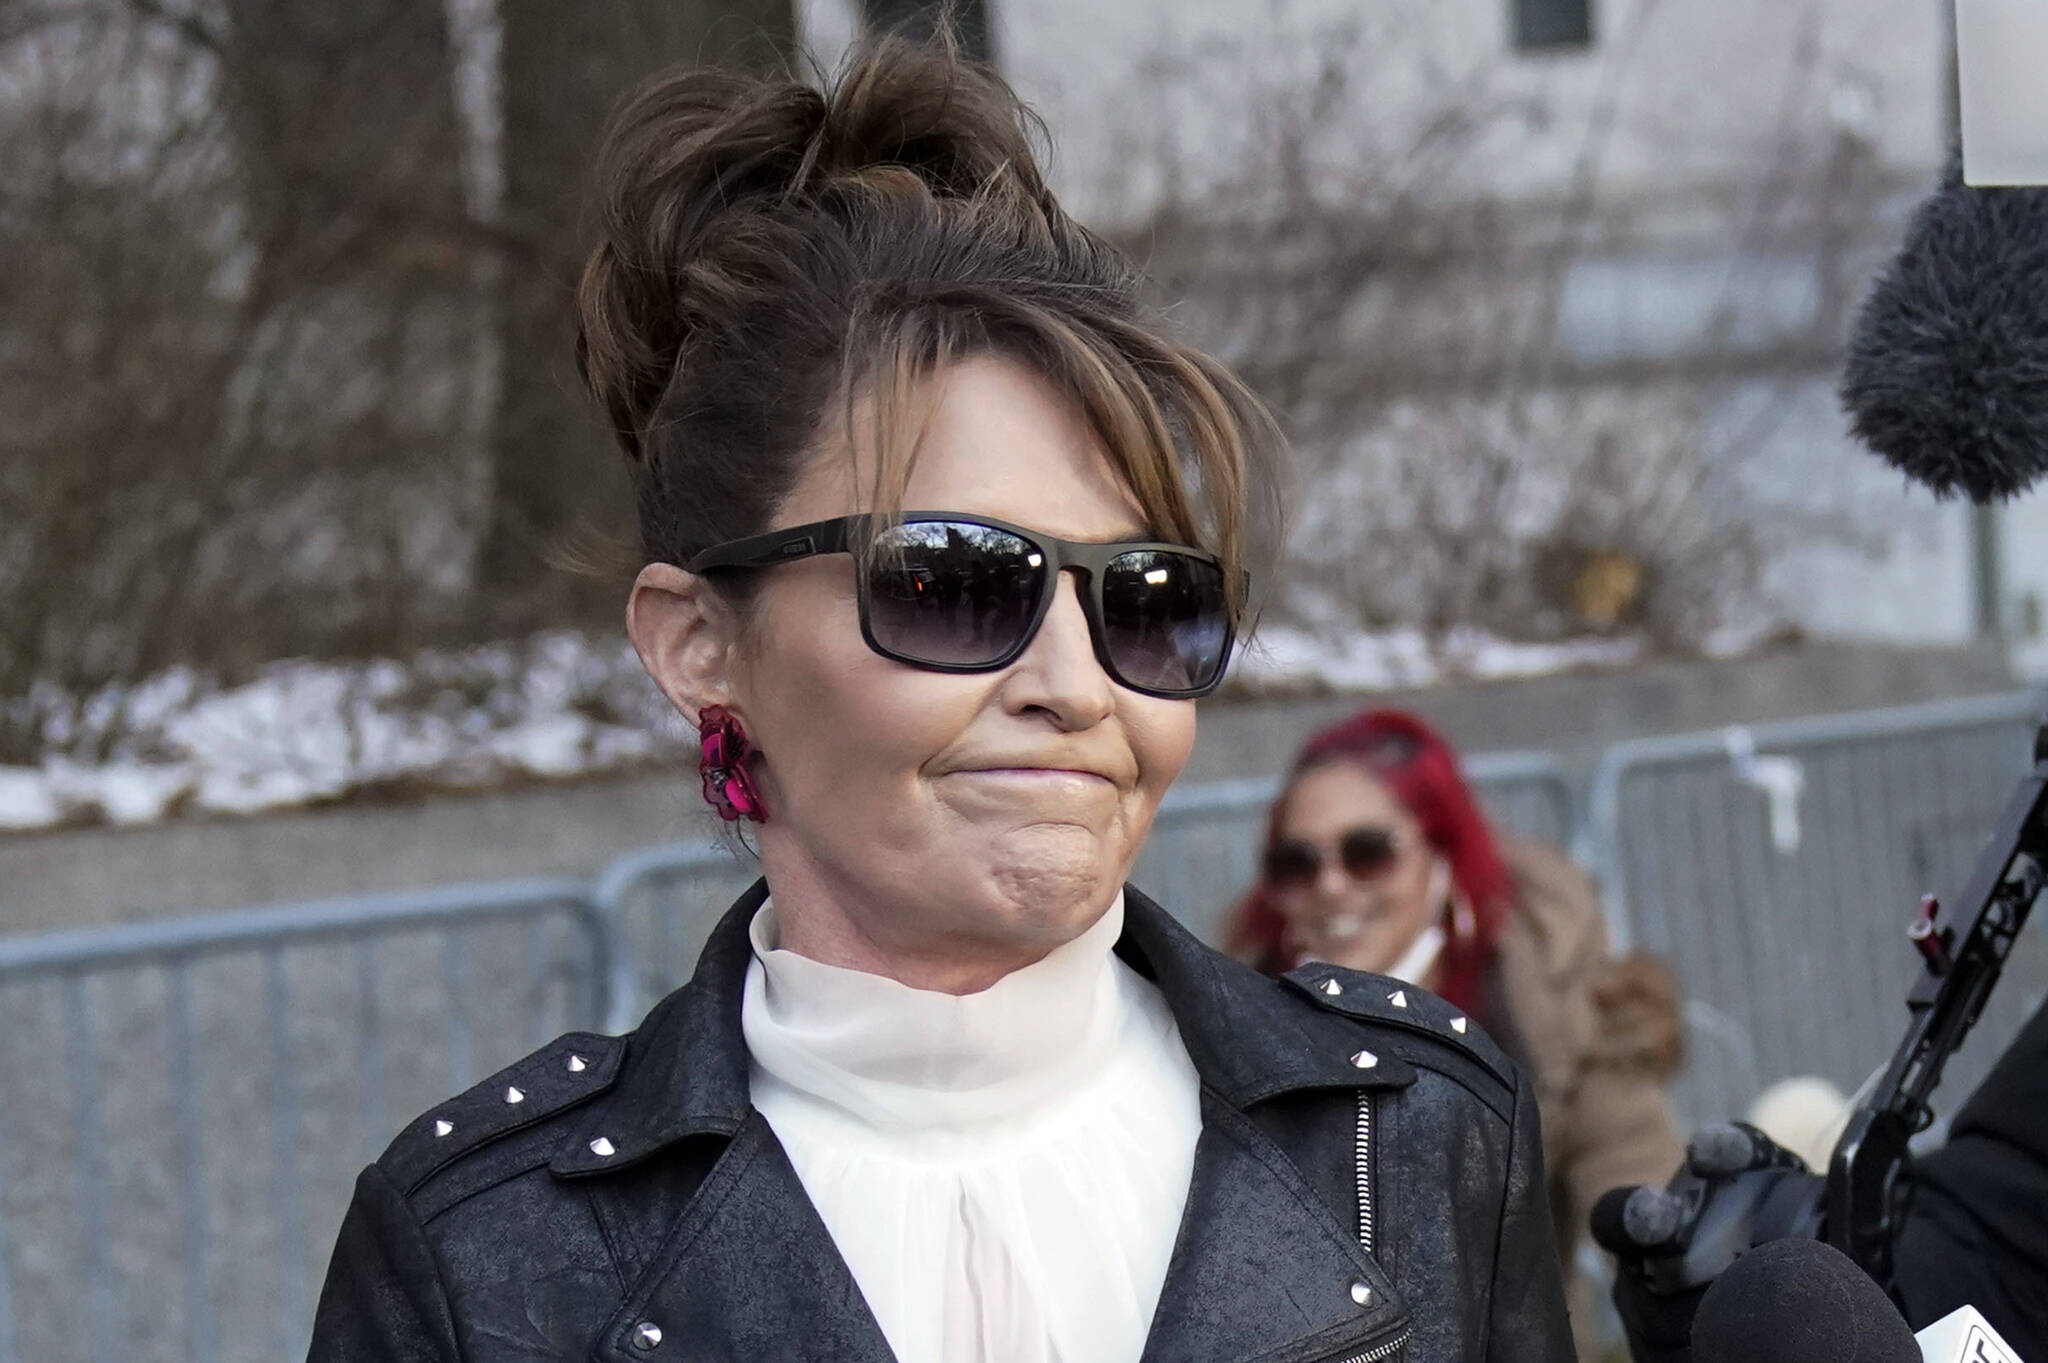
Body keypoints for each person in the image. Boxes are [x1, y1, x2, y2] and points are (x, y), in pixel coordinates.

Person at [306, 42, 1573, 1363]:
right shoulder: (484, 1249)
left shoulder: (1420, 1126)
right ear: (697, 641)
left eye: (1147, 597)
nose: (1076, 685)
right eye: (955, 581)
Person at [1224, 709, 1684, 1361]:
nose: (1330, 886)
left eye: (1368, 852)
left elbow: (1645, 1203)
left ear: (1440, 856)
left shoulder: (1551, 1001)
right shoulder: (1232, 1023)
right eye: (1295, 862)